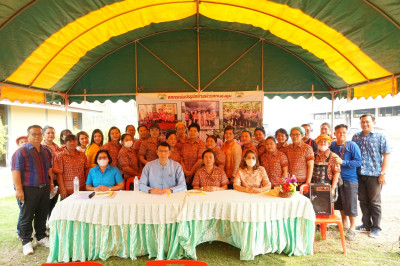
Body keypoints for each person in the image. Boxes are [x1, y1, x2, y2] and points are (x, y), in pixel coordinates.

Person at [11, 125, 53, 255]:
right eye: (34, 134)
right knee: (27, 216)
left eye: (39, 134)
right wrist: (19, 190)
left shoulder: (46, 151)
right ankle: (26, 242)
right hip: (28, 189)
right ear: (28, 136)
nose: (37, 136)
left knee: (42, 214)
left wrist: (51, 183)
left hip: (44, 187)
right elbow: (15, 171)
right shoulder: (21, 152)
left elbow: (49, 169)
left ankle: (41, 237)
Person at [352, 113, 391, 238]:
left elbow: (386, 155)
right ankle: (366, 224)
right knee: (363, 201)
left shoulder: (381, 136)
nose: (365, 124)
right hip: (359, 174)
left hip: (374, 175)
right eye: (362, 122)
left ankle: (376, 228)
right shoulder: (356, 137)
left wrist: (382, 173)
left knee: (374, 202)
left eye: (367, 121)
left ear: (374, 123)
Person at [330, 124, 362, 241]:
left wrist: (343, 162)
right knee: (340, 203)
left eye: (344, 132)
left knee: (351, 203)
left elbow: (358, 162)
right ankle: (345, 224)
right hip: (336, 179)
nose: (341, 134)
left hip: (350, 179)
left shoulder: (352, 145)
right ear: (335, 134)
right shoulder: (332, 145)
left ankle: (352, 228)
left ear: (346, 134)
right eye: (339, 132)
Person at [53, 135, 90, 199]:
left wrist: (88, 185)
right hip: (67, 191)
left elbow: (86, 170)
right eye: (69, 141)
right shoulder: (60, 156)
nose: (72, 143)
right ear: (65, 143)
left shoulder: (82, 155)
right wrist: (62, 188)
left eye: (74, 141)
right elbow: (59, 173)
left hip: (82, 189)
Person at [41, 125, 62, 222]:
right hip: (48, 179)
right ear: (43, 135)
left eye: (52, 132)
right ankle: (42, 226)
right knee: (46, 203)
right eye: (48, 133)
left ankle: (51, 222)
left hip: (57, 179)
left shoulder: (56, 146)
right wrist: (55, 170)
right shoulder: (41, 147)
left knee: (53, 202)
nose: (50, 135)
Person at [181, 123, 206, 188]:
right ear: (188, 132)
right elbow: (181, 158)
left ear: (198, 133)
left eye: (195, 131)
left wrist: (191, 172)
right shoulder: (185, 143)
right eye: (191, 131)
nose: (192, 133)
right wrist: (185, 171)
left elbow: (200, 161)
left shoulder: (201, 144)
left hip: (197, 175)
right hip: (184, 174)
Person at [13, 136, 29, 241]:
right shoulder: (17, 155)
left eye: (25, 141)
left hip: (29, 187)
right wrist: (19, 189)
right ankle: (20, 232)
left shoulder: (29, 154)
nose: (24, 143)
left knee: (27, 211)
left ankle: (27, 231)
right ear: (18, 144)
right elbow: (15, 172)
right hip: (21, 187)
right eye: (21, 142)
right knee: (23, 211)